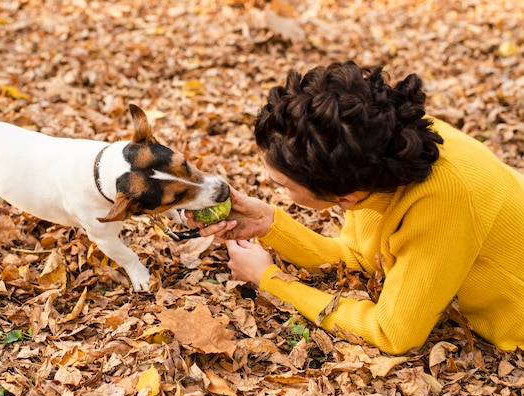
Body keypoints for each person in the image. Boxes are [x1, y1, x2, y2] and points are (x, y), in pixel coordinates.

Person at [189, 61, 524, 355]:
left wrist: (269, 279)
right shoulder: (379, 144)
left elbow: (393, 334)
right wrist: (268, 223)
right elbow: (360, 258)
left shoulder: (441, 202)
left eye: (283, 185)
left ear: (344, 197)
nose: (268, 182)